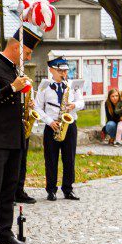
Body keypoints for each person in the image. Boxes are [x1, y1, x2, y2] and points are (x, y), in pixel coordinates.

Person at [0, 25, 40, 244]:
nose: (30, 57)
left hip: (14, 136)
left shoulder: (15, 69)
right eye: (28, 52)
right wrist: (13, 88)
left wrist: (26, 103)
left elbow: (13, 100)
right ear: (17, 47)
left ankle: (5, 231)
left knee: (9, 188)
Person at [38, 56, 85, 201]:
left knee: (69, 158)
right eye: (60, 71)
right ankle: (51, 190)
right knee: (51, 159)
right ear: (51, 70)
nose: (63, 74)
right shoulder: (44, 85)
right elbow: (37, 107)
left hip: (69, 125)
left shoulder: (72, 85)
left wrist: (74, 105)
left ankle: (68, 188)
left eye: (65, 71)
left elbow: (81, 102)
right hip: (52, 125)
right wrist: (49, 121)